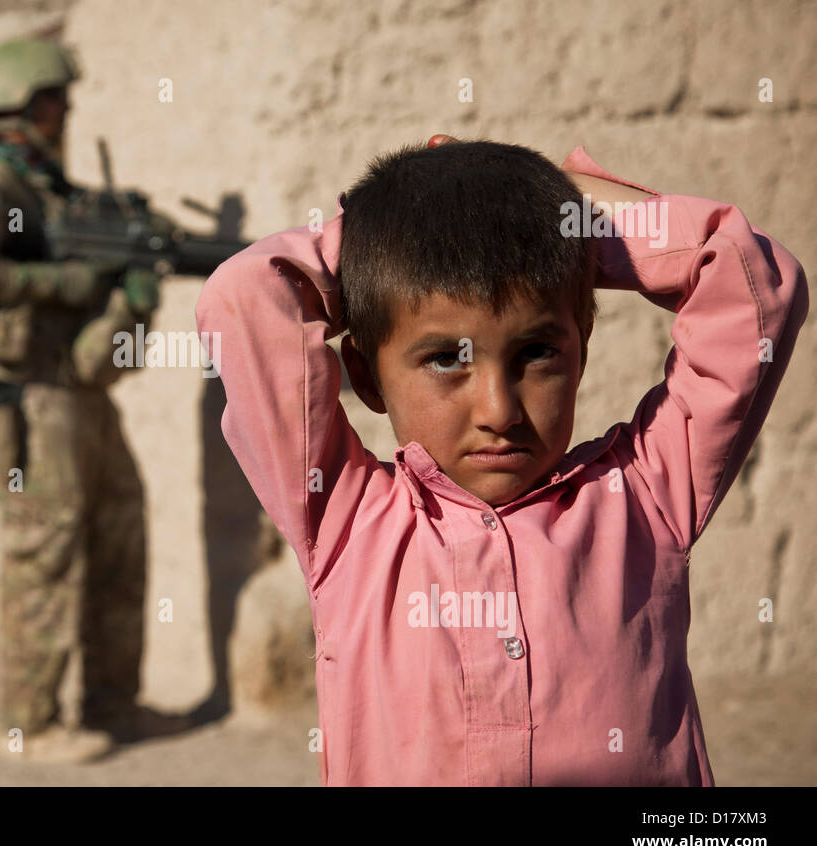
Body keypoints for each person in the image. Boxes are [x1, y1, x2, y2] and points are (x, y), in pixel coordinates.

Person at [195, 135, 808, 785]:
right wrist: (400, 224)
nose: (499, 409)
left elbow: (748, 279)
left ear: (582, 348)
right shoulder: (345, 522)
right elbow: (244, 296)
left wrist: (572, 214)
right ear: (367, 379)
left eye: (536, 353)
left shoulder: (649, 494)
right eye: (445, 359)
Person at [0, 36, 180, 763]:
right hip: (27, 398)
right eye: (59, 101)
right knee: (44, 554)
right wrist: (65, 286)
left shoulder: (44, 185)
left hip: (76, 392)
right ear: (31, 103)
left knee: (119, 531)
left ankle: (112, 703)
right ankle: (29, 725)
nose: (68, 113)